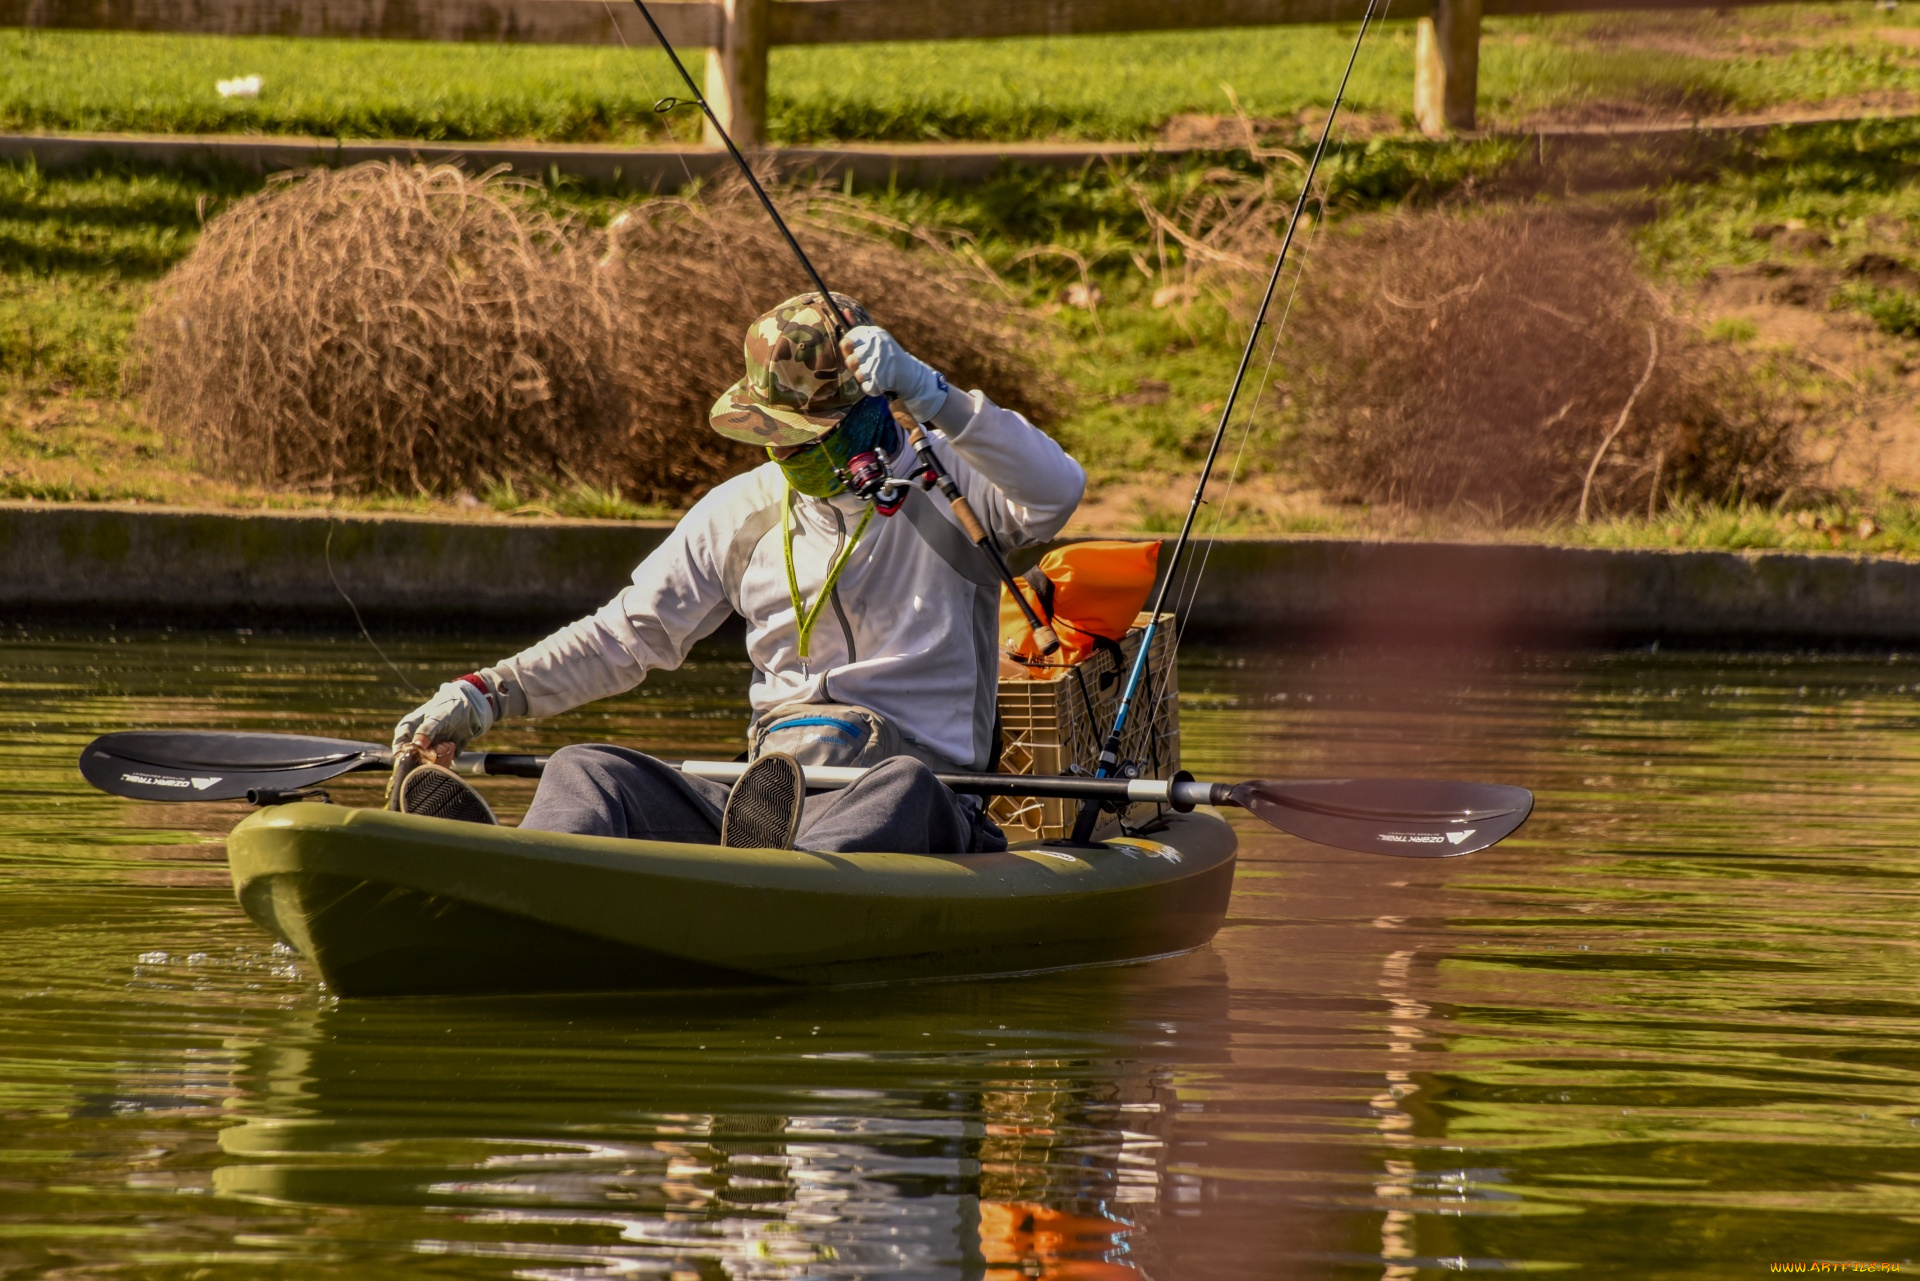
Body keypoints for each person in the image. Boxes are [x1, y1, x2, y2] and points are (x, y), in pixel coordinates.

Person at [388, 292, 1085, 854]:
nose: (781, 450)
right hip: (767, 792)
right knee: (585, 769)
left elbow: (1057, 491)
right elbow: (622, 635)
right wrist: (485, 695)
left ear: (872, 410)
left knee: (902, 788)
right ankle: (532, 874)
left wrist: (933, 394)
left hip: (919, 793)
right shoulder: (740, 511)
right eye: (771, 433)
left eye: (799, 433)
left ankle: (778, 878)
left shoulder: (955, 486)